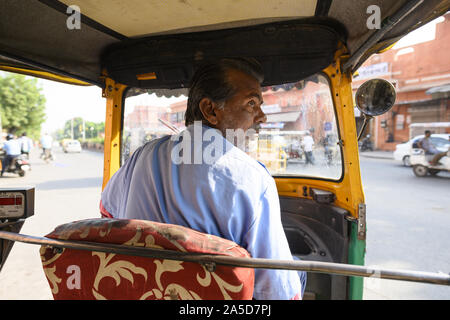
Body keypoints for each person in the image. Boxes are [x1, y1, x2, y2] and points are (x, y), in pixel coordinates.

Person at [100, 58, 305, 300]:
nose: (262, 117)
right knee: (297, 268)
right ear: (210, 110)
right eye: (251, 104)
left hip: (141, 293)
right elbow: (277, 289)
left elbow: (107, 212)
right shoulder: (252, 178)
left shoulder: (142, 155)